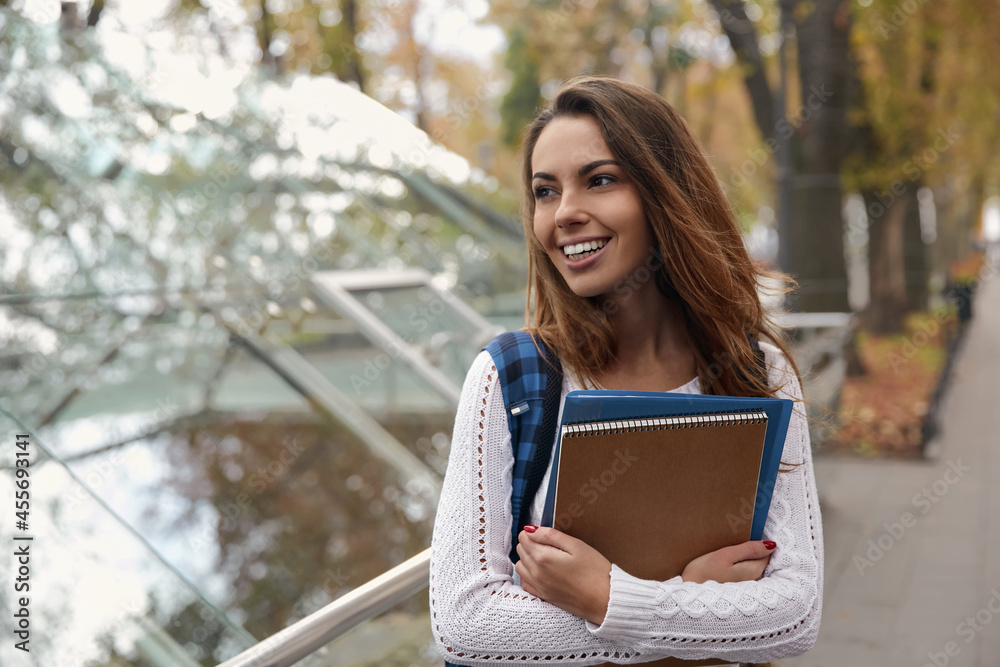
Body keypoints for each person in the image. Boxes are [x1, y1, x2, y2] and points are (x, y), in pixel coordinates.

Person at [429, 76, 823, 666]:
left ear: (667, 193)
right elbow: (466, 623)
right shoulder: (511, 377)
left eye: (600, 180)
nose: (564, 213)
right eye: (545, 191)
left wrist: (605, 597)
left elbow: (795, 615)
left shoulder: (756, 371)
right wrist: (690, 606)